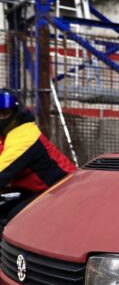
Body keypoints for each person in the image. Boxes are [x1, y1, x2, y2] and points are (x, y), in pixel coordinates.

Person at [0, 88, 76, 224]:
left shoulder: (24, 137)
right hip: (41, 192)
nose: (0, 118)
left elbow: (2, 172)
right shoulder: (6, 135)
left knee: (12, 222)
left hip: (65, 194)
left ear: (17, 113)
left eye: (4, 113)